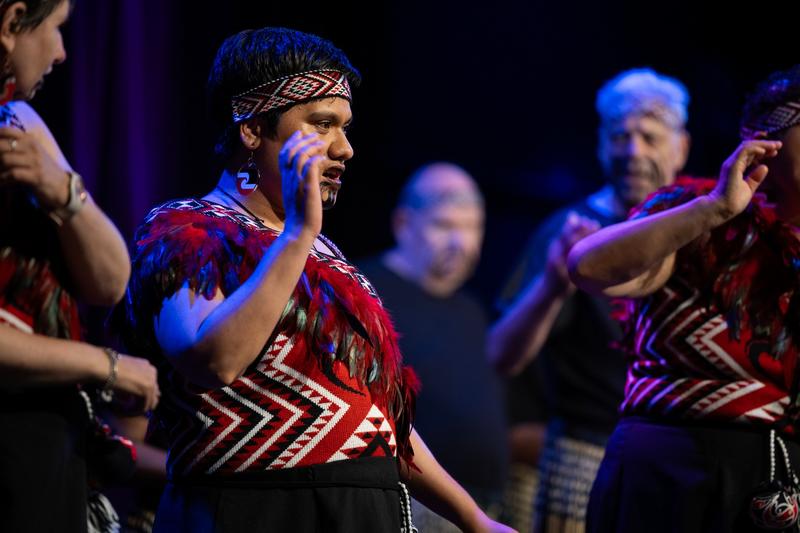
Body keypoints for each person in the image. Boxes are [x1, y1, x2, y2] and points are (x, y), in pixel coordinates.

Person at [116, 27, 514, 533]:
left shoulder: (330, 257)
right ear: (253, 128)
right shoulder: (187, 230)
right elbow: (212, 360)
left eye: (346, 128)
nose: (344, 148)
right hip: (256, 513)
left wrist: (472, 519)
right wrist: (297, 236)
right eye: (323, 124)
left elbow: (379, 422)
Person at [568, 65, 800, 532]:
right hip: (668, 474)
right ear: (768, 142)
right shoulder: (694, 211)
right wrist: (714, 208)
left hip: (779, 480)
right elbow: (587, 267)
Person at [488, 68, 690, 532]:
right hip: (585, 457)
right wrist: (554, 285)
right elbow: (501, 355)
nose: (633, 152)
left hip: (675, 458)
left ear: (681, 147)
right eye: (621, 136)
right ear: (602, 144)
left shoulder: (697, 228)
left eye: (649, 137)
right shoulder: (571, 228)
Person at [0, 1, 160, 532]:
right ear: (10, 23)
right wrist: (105, 365)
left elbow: (111, 279)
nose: (62, 51)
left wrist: (62, 191)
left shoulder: (15, 121)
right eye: (56, 28)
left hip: (45, 437)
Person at [358, 162, 510, 531]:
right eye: (445, 225)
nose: (462, 242)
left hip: (481, 508)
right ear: (403, 224)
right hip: (407, 504)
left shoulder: (472, 309)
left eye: (472, 226)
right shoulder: (366, 292)